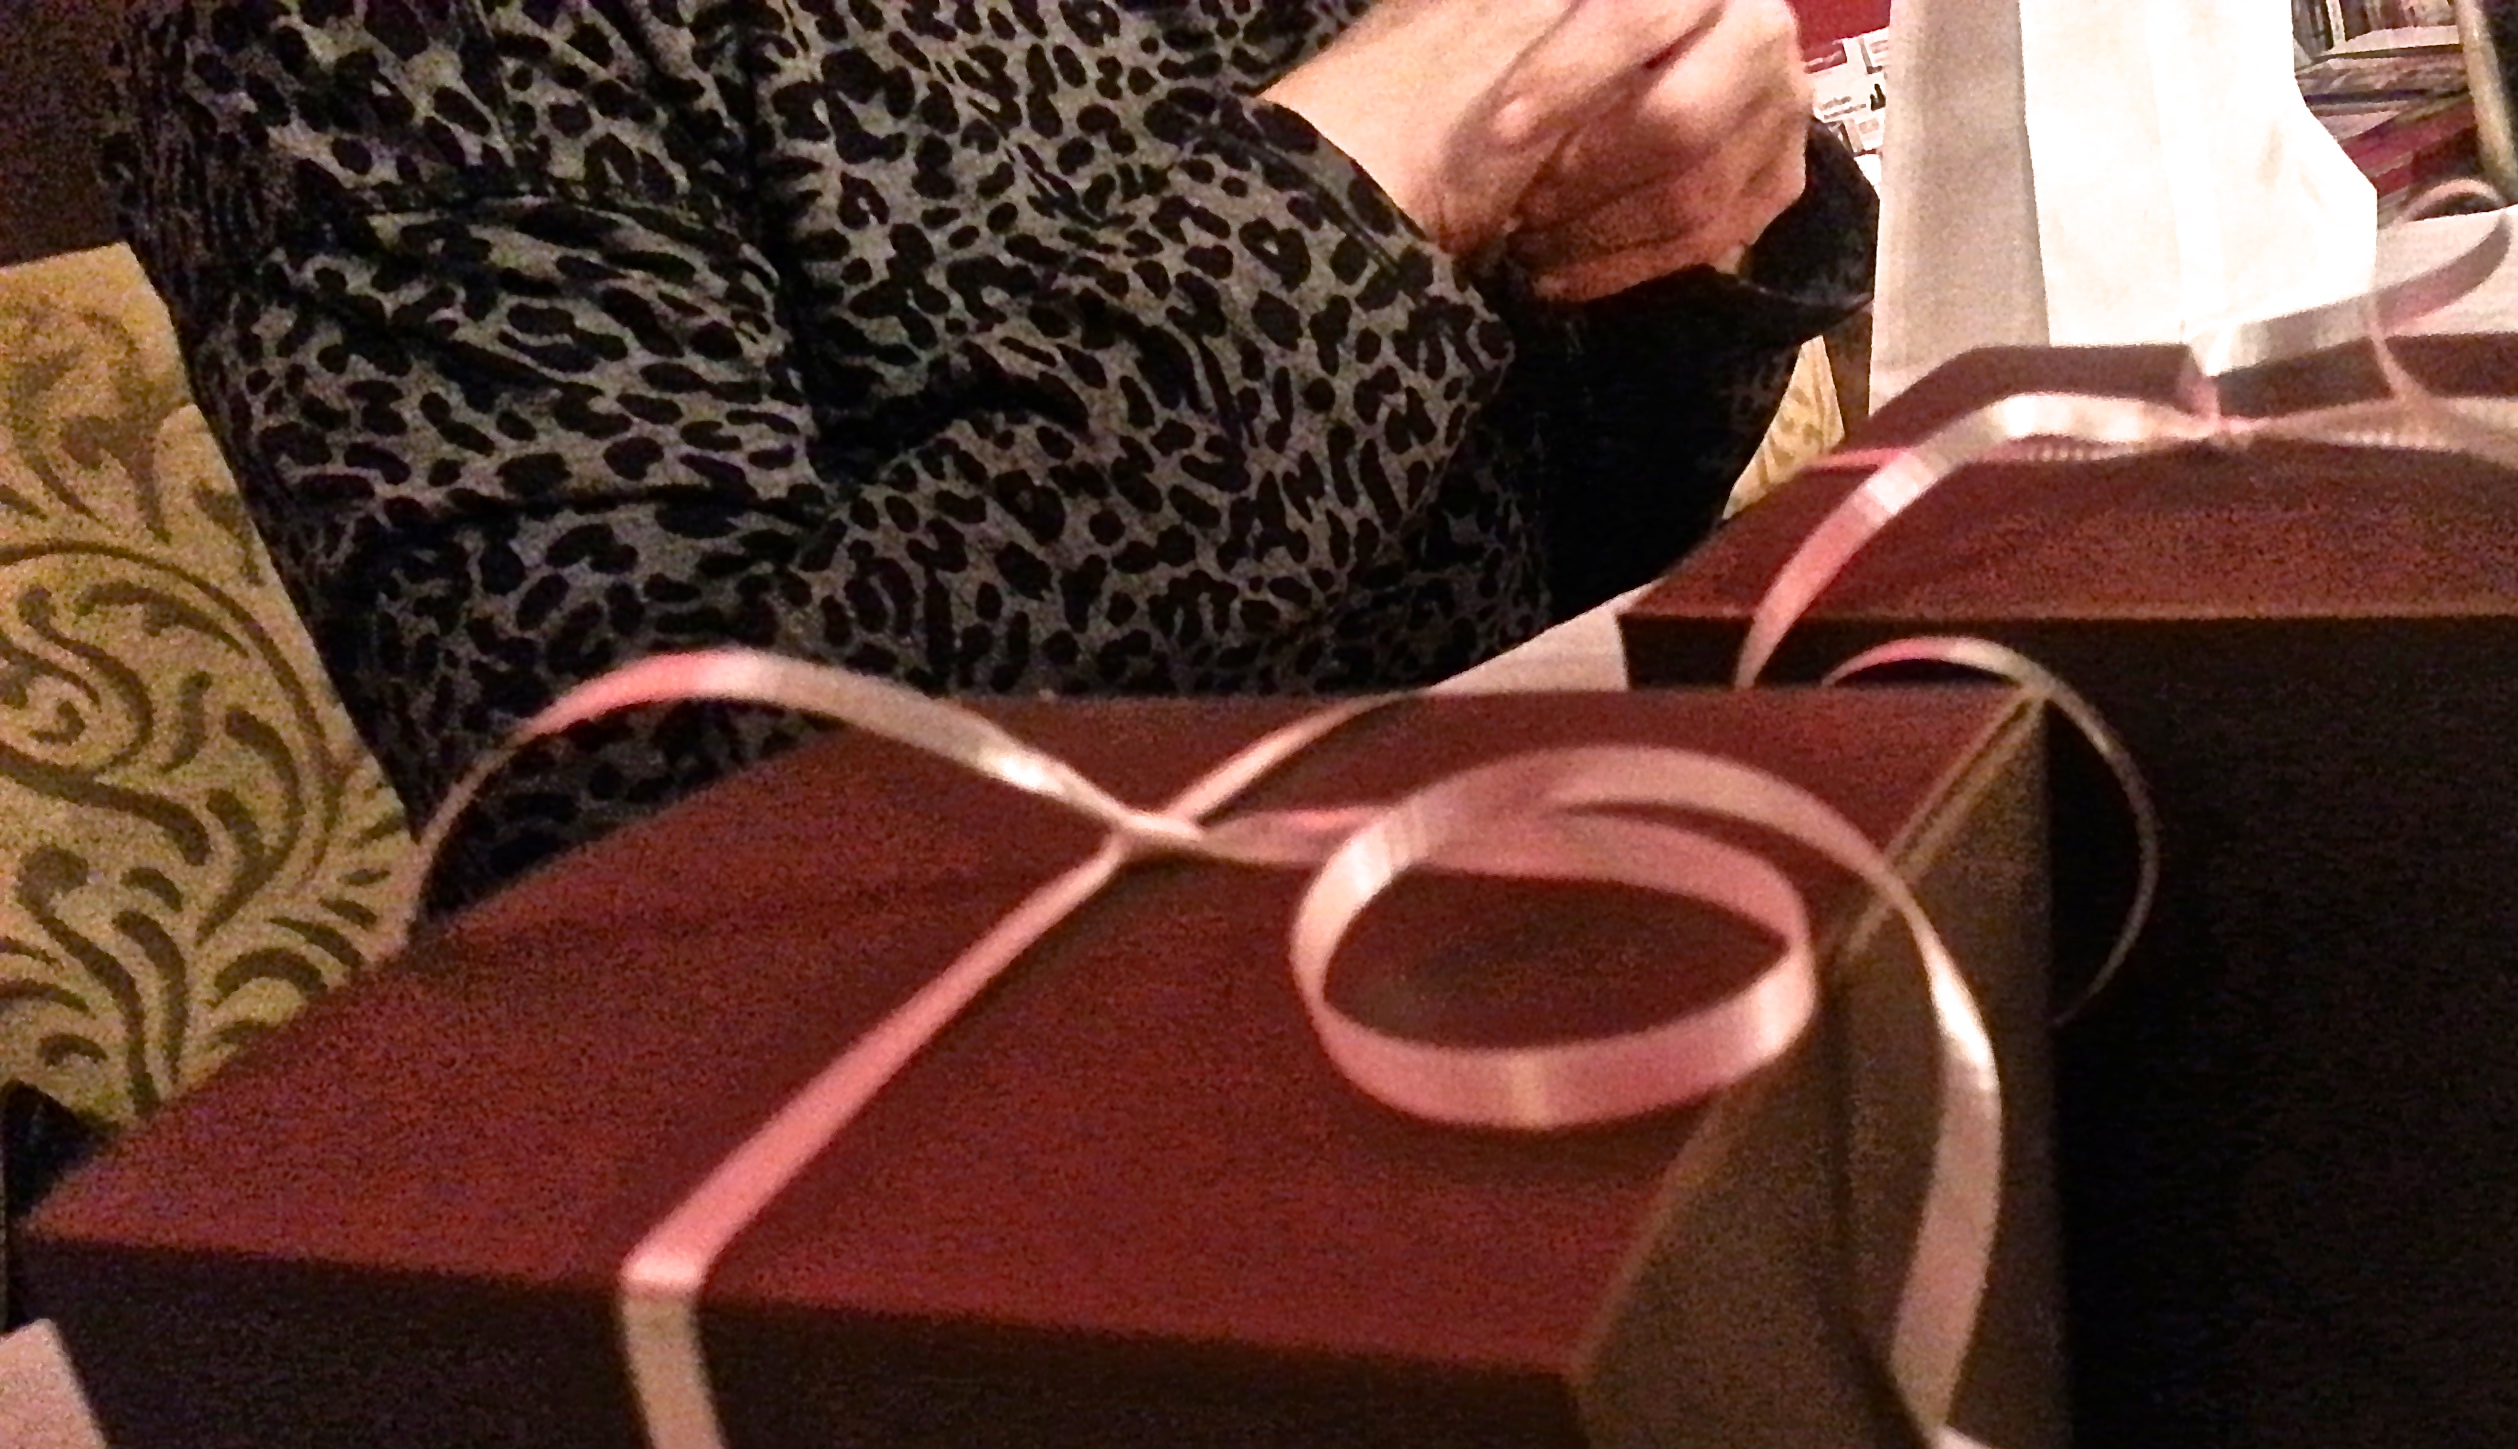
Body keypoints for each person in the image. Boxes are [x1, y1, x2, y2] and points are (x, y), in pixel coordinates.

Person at [108, 0, 1871, 912]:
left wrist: (1693, 230)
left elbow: (1537, 572)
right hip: (954, 1223)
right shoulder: (350, 36)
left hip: (1500, 941)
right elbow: (643, 842)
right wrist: (1365, 184)